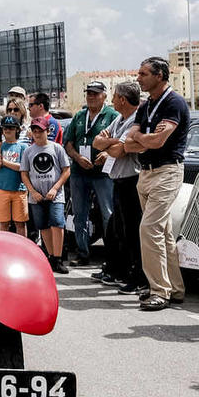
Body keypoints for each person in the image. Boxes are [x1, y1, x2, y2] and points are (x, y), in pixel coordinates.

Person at [124, 57, 190, 312]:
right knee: (162, 232)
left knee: (148, 228)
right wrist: (144, 138)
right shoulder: (147, 104)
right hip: (147, 173)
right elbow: (129, 142)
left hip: (167, 171)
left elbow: (159, 142)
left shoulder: (173, 103)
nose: (138, 78)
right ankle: (175, 288)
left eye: (143, 73)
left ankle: (158, 291)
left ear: (160, 75)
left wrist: (143, 139)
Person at [93, 80, 145, 292]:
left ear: (122, 100)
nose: (113, 100)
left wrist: (111, 143)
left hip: (132, 181)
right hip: (118, 180)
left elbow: (120, 151)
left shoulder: (136, 120)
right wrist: (113, 142)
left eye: (114, 96)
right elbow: (97, 142)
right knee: (117, 229)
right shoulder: (119, 120)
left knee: (132, 231)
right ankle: (119, 269)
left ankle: (137, 276)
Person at [63, 82, 118, 265]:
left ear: (104, 95)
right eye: (89, 94)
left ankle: (113, 257)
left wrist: (107, 153)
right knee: (80, 214)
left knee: (107, 214)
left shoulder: (113, 116)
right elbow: (68, 143)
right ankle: (83, 252)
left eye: (95, 93)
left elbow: (120, 142)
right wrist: (77, 158)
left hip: (102, 174)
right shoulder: (79, 115)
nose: (91, 97)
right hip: (79, 172)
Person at [24, 117, 72, 273]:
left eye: (40, 131)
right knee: (43, 225)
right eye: (35, 131)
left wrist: (55, 188)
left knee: (57, 223)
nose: (37, 134)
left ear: (47, 131)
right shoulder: (28, 151)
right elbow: (24, 173)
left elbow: (66, 170)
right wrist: (32, 191)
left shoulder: (56, 148)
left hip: (55, 194)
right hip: (36, 195)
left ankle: (58, 258)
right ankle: (51, 256)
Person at [0, 116, 29, 237]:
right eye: (5, 128)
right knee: (3, 223)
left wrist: (5, 163)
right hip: (2, 188)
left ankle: (22, 249)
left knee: (20, 223)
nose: (8, 130)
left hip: (19, 189)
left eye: (11, 128)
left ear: (17, 130)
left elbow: (22, 167)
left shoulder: (23, 147)